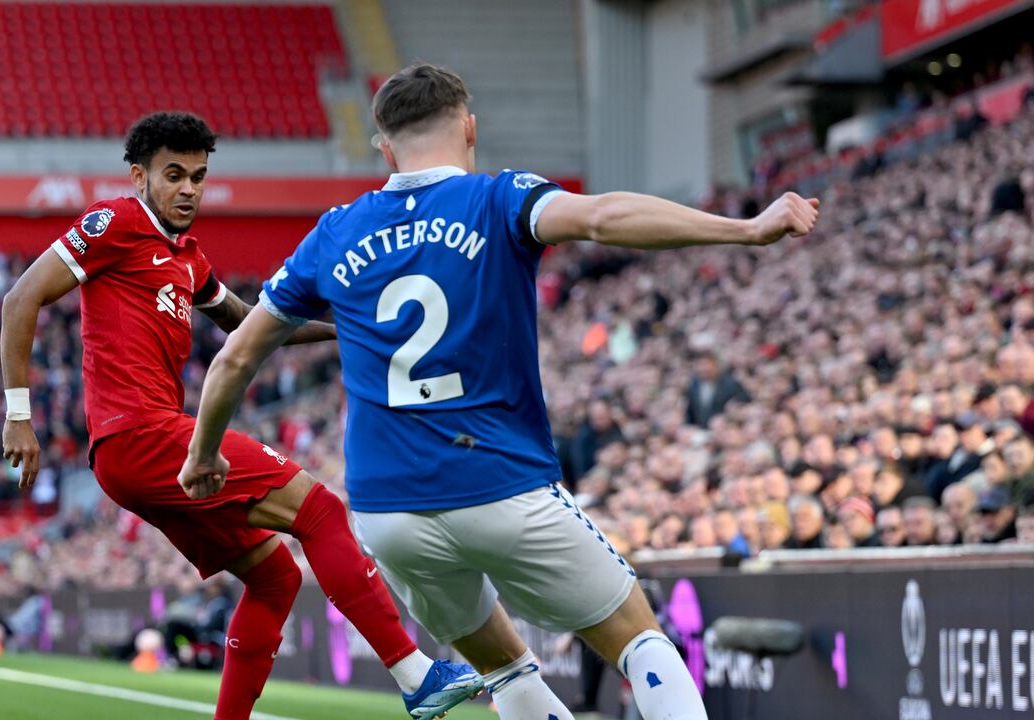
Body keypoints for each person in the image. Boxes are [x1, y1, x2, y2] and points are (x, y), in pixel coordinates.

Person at [182, 63, 818, 720]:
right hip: (501, 483)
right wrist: (744, 229)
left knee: (504, 667)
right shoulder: (499, 197)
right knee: (639, 640)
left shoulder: (335, 232)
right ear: (469, 127)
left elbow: (233, 360)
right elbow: (604, 216)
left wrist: (203, 454)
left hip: (390, 511)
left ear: (385, 148)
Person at [0, 112, 481, 720]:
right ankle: (415, 675)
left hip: (134, 454)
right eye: (173, 175)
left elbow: (250, 323)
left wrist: (349, 329)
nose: (188, 190)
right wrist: (20, 414)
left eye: (198, 177)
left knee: (275, 577)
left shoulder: (188, 259)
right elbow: (21, 297)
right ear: (138, 175)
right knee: (321, 511)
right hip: (142, 436)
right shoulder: (116, 223)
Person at [685, 353, 751, 429]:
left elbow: (746, 397)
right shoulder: (694, 385)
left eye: (706, 364)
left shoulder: (730, 383)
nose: (702, 368)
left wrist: (734, 403)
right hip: (701, 429)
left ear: (715, 365)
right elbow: (691, 411)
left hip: (724, 428)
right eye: (700, 365)